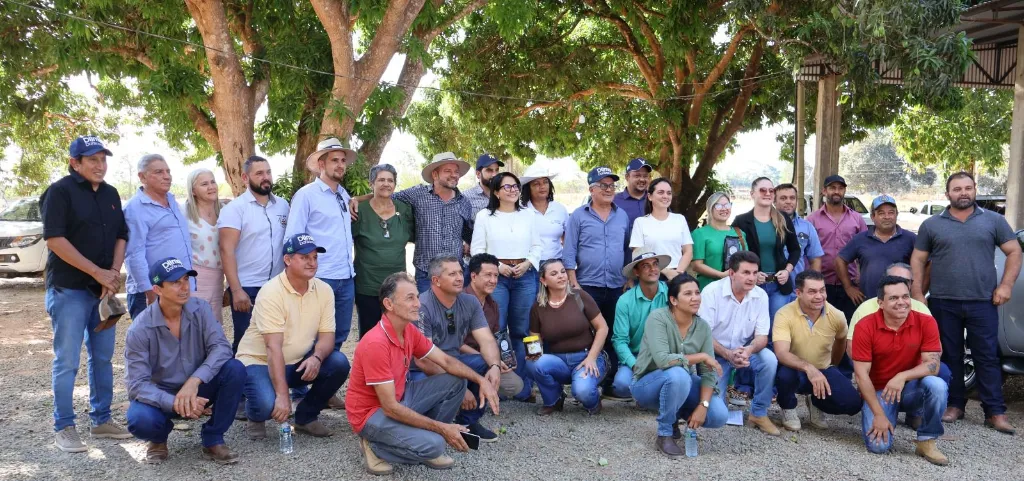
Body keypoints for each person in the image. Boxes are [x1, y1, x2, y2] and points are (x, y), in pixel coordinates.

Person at [346, 273, 501, 475]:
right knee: (436, 445)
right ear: (389, 304)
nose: (418, 304)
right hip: (372, 414)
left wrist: (481, 380)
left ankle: (417, 437)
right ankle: (375, 447)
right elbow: (390, 408)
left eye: (417, 297)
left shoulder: (408, 330)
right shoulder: (375, 343)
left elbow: (445, 361)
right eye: (410, 298)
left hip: (400, 397)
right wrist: (441, 428)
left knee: (457, 381)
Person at [910, 172, 1021, 434]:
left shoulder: (993, 220)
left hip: (983, 301)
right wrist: (916, 292)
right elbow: (917, 259)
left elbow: (1014, 251)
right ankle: (955, 405)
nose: (963, 193)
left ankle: (995, 412)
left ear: (975, 190)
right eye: (957, 189)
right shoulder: (932, 224)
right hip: (943, 301)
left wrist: (1005, 286)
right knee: (950, 355)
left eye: (968, 188)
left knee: (987, 356)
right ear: (947, 193)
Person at [41, 135, 132, 452]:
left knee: (104, 358)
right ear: (74, 163)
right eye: (92, 159)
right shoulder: (59, 192)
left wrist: (113, 273)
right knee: (67, 361)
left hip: (103, 292)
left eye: (103, 158)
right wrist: (98, 272)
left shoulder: (111, 194)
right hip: (69, 290)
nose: (100, 165)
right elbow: (54, 240)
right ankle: (64, 427)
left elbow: (122, 234)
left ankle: (101, 420)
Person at [124, 257, 245, 464]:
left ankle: (213, 438)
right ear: (157, 289)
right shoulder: (139, 329)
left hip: (199, 387)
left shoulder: (201, 309)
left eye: (186, 280)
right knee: (139, 420)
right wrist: (175, 402)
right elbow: (136, 385)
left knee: (235, 369)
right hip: (162, 395)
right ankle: (158, 439)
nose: (184, 288)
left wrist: (194, 381)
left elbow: (221, 347)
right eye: (175, 282)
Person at [235, 233, 351, 439]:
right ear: (287, 260)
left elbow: (327, 338)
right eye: (304, 257)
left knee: (338, 363)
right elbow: (273, 348)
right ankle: (256, 414)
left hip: (296, 362)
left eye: (315, 257)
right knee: (266, 404)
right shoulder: (271, 292)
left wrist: (316, 358)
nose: (312, 262)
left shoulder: (324, 290)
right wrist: (282, 395)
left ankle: (306, 417)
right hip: (259, 362)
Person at [853, 276, 948, 465]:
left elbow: (933, 365)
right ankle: (888, 414)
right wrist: (879, 415)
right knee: (878, 447)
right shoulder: (864, 326)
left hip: (910, 387)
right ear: (880, 303)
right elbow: (861, 375)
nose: (902, 302)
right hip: (880, 390)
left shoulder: (926, 322)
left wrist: (902, 376)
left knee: (937, 385)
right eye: (894, 298)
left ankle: (926, 440)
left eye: (906, 297)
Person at [408, 255, 504, 442]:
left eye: (460, 272)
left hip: (454, 363)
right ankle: (432, 431)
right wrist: (460, 387)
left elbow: (487, 341)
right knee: (446, 391)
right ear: (436, 280)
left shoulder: (470, 302)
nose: (460, 277)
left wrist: (495, 366)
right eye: (452, 274)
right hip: (418, 371)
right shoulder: (422, 306)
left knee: (485, 362)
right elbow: (423, 360)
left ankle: (468, 423)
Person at [631, 274, 729, 457]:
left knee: (718, 415)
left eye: (697, 292)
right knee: (678, 374)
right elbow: (663, 360)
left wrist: (703, 405)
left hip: (682, 383)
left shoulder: (702, 327)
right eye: (688, 293)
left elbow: (708, 374)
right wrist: (701, 356)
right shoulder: (658, 318)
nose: (695, 297)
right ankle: (665, 433)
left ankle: (674, 415)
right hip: (646, 384)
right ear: (673, 300)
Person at [352, 152, 473, 294]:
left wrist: (468, 245)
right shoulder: (417, 194)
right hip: (426, 275)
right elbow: (386, 194)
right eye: (448, 171)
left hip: (455, 275)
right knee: (424, 316)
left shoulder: (464, 202)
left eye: (456, 172)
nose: (454, 175)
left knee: (454, 316)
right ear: (435, 175)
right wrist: (356, 199)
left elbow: (467, 233)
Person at [470, 172, 541, 399]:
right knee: (495, 330)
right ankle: (497, 384)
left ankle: (523, 387)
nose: (512, 190)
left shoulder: (529, 215)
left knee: (522, 331)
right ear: (497, 191)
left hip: (525, 275)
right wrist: (498, 266)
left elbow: (537, 246)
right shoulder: (484, 216)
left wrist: (528, 263)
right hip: (496, 277)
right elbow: (477, 249)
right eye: (506, 186)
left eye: (515, 186)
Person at [286, 137, 358, 354]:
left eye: (343, 160)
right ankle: (299, 388)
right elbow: (292, 238)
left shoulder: (342, 195)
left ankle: (326, 385)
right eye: (334, 160)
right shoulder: (306, 195)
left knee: (338, 336)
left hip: (346, 277)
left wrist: (355, 199)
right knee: (310, 337)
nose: (340, 165)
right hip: (319, 277)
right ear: (321, 165)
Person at [697, 251, 780, 436]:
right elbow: (703, 335)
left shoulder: (760, 295)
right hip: (715, 353)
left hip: (744, 351)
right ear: (732, 273)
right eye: (746, 272)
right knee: (716, 413)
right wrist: (727, 354)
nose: (751, 278)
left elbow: (762, 336)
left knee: (769, 360)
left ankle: (758, 413)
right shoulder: (712, 292)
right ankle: (718, 402)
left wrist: (749, 350)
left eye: (754, 272)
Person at [564, 166, 629, 397]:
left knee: (613, 333)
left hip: (615, 285)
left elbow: (626, 250)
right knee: (588, 333)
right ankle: (586, 378)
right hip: (586, 285)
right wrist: (574, 283)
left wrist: (627, 279)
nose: (609, 189)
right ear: (591, 189)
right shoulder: (579, 216)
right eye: (603, 185)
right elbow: (569, 252)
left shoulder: (621, 215)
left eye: (612, 185)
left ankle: (609, 381)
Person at [772, 270, 861, 432]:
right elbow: (781, 353)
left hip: (823, 369)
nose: (819, 296)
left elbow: (841, 340)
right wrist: (809, 368)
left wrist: (832, 366)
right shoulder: (784, 314)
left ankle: (816, 402)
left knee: (853, 404)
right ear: (798, 293)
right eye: (812, 291)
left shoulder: (837, 315)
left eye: (822, 290)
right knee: (785, 375)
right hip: (794, 369)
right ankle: (788, 407)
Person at [218, 155, 290, 353]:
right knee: (246, 343)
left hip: (278, 287)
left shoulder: (283, 206)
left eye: (268, 172)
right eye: (259, 173)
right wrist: (236, 290)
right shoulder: (235, 209)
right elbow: (226, 251)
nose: (265, 177)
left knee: (278, 342)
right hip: (247, 288)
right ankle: (241, 383)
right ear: (245, 177)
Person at [526, 259, 610, 415]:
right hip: (559, 361)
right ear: (543, 280)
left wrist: (592, 357)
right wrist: (533, 358)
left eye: (563, 271)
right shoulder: (538, 306)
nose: (561, 276)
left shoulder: (580, 296)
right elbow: (534, 339)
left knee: (582, 391)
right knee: (533, 362)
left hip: (587, 357)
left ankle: (593, 402)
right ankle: (554, 400)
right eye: (554, 273)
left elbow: (602, 328)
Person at [123, 153, 193, 319]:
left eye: (168, 171)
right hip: (153, 292)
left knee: (179, 342)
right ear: (142, 177)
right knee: (152, 343)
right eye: (159, 172)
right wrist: (151, 294)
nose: (167, 176)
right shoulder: (135, 208)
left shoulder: (172, 201)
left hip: (176, 288)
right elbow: (134, 255)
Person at [352, 163, 414, 338]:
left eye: (390, 180)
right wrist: (355, 199)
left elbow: (414, 235)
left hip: (397, 288)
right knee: (370, 336)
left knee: (397, 335)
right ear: (372, 184)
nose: (386, 184)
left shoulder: (404, 209)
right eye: (381, 180)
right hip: (367, 286)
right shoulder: (358, 211)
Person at [732, 177, 801, 321]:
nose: (767, 193)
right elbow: (735, 255)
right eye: (762, 190)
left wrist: (787, 271)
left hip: (779, 284)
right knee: (752, 325)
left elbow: (795, 249)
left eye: (771, 190)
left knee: (776, 326)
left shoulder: (783, 219)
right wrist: (752, 273)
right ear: (752, 194)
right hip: (752, 283)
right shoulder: (741, 221)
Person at [463, 254, 526, 399]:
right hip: (461, 358)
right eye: (488, 275)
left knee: (515, 385)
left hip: (485, 357)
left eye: (496, 276)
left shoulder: (493, 304)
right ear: (473, 276)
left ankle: (478, 395)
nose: (493, 281)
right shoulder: (460, 301)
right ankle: (462, 398)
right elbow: (456, 343)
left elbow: (496, 338)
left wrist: (504, 359)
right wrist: (490, 361)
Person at [836, 195, 916, 307]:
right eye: (881, 213)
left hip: (900, 304)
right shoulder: (860, 239)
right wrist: (848, 287)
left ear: (896, 215)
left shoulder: (910, 238)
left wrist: (917, 291)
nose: (887, 217)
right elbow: (840, 260)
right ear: (873, 216)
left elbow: (925, 264)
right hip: (868, 303)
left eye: (891, 212)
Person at [609, 251, 670, 400]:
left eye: (655, 264)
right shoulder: (625, 301)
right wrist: (635, 365)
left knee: (676, 379)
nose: (653, 269)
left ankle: (650, 393)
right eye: (646, 266)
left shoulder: (671, 293)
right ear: (636, 272)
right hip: (637, 356)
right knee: (621, 385)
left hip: (665, 355)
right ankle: (648, 393)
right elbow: (620, 340)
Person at [807, 175, 867, 321]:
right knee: (821, 327)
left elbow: (865, 250)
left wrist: (860, 276)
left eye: (840, 188)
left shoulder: (856, 219)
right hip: (821, 284)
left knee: (848, 327)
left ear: (844, 191)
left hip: (851, 286)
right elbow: (806, 252)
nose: (836, 192)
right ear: (824, 191)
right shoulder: (812, 220)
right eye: (832, 188)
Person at [628, 178, 693, 280]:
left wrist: (677, 273)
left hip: (678, 275)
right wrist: (666, 272)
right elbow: (638, 254)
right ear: (650, 196)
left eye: (669, 193)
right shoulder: (640, 222)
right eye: (660, 192)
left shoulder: (680, 219)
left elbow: (688, 251)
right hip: (652, 276)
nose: (665, 196)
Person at [184, 168, 224, 322]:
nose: (211, 187)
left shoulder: (226, 211)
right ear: (193, 191)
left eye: (213, 182)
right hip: (195, 277)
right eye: (204, 184)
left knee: (215, 324)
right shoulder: (184, 213)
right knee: (196, 324)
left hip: (219, 276)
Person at [691, 192, 746, 290]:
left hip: (736, 288)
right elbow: (697, 265)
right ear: (710, 209)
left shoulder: (739, 233)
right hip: (710, 288)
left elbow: (746, 261)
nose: (724, 209)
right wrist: (721, 275)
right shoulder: (699, 234)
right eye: (719, 205)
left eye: (727, 205)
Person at [520, 163, 568, 264]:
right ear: (528, 188)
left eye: (545, 182)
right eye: (536, 184)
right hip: (529, 265)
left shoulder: (560, 209)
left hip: (557, 264)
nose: (542, 187)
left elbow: (567, 239)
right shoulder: (520, 210)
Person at [774, 183, 823, 277]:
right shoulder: (765, 225)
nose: (788, 202)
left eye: (792, 198)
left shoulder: (807, 227)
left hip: (795, 288)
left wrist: (811, 284)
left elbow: (815, 259)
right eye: (783, 198)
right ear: (774, 201)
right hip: (767, 286)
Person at [614, 157, 652, 263]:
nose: (642, 179)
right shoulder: (614, 202)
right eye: (637, 175)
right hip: (625, 265)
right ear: (627, 177)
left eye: (645, 176)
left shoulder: (656, 200)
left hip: (655, 266)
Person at [463, 153, 504, 220]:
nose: (495, 174)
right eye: (489, 170)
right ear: (478, 174)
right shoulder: (466, 197)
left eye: (497, 170)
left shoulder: (504, 194)